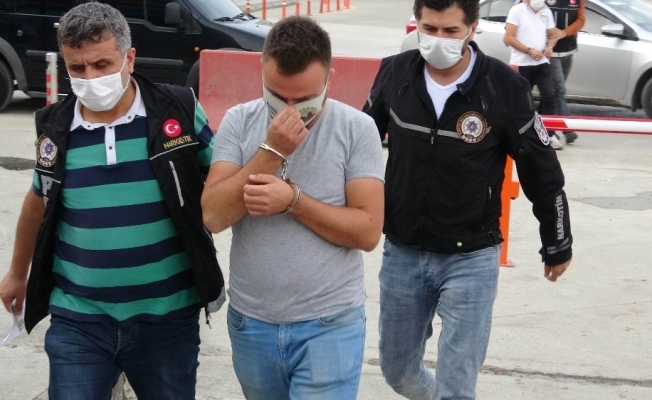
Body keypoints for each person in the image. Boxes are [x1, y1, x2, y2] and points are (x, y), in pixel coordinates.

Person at [0, 3, 224, 399]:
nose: (90, 78)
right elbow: (38, 201)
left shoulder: (177, 110)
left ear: (129, 58)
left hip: (167, 317)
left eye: (102, 64)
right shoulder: (54, 127)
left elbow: (224, 177)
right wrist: (18, 273)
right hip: (80, 319)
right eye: (78, 68)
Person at [363, 0, 573, 399]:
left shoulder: (503, 87)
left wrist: (557, 241)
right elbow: (361, 144)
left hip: (471, 258)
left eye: (450, 31)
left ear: (473, 28)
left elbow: (541, 169)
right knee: (398, 373)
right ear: (417, 23)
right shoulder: (395, 71)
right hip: (403, 252)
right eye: (430, 29)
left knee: (457, 388)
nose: (438, 39)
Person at [201, 16, 385, 400]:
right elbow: (213, 216)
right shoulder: (239, 121)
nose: (289, 110)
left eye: (303, 101)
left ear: (329, 79)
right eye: (276, 96)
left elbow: (368, 231)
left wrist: (293, 201)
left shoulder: (356, 129)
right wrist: (271, 151)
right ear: (261, 72)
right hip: (252, 322)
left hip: (329, 324)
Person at [504, 0, 563, 149]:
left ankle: (549, 135)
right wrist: (529, 50)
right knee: (522, 100)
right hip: (521, 63)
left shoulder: (546, 11)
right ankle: (519, 134)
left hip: (542, 63)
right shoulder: (517, 10)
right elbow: (509, 38)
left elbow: (553, 35)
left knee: (549, 96)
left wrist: (550, 47)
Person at [548, 0, 586, 144]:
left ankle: (546, 128)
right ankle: (567, 130)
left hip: (568, 51)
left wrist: (564, 33)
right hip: (549, 52)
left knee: (552, 93)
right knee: (559, 90)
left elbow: (581, 20)